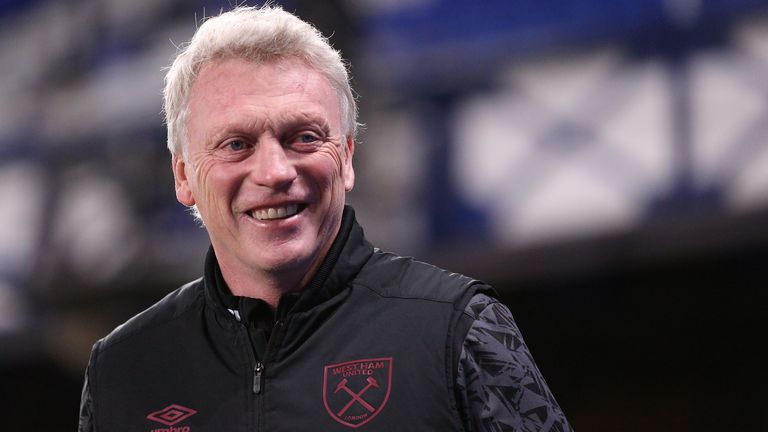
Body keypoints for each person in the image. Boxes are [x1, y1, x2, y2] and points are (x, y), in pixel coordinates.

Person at [78, 5, 572, 432]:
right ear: (183, 176)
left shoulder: (456, 328)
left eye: (304, 138)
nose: (274, 171)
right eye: (236, 145)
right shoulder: (121, 370)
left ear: (348, 156)